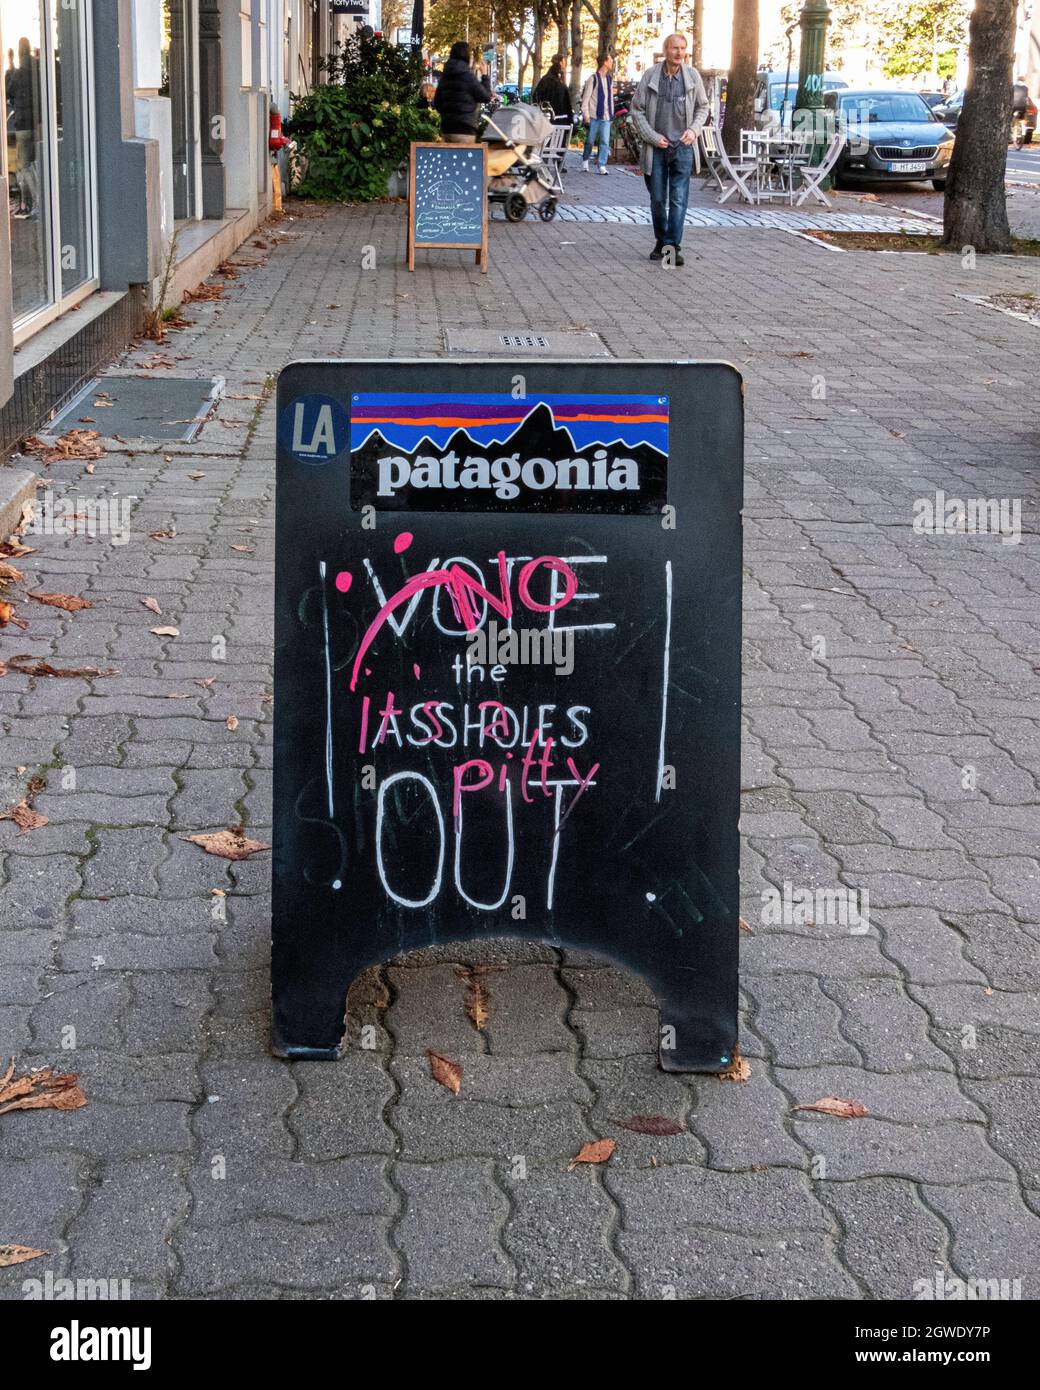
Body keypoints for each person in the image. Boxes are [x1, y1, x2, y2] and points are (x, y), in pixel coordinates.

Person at [629, 33, 708, 265]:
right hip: (657, 149)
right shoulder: (651, 75)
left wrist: (693, 130)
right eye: (675, 48)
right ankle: (661, 240)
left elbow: (703, 107)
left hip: (682, 148)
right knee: (657, 199)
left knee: (678, 198)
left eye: (683, 48)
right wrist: (652, 137)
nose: (679, 53)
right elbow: (636, 110)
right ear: (665, 49)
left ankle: (672, 247)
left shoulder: (692, 76)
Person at [433, 41, 494, 143]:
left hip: (447, 128)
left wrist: (448, 114)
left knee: (449, 158)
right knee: (465, 158)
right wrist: (485, 75)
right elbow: (486, 97)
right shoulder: (467, 76)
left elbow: (437, 102)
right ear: (467, 56)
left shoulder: (445, 76)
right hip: (465, 128)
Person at [10, 37, 40, 219]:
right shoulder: (36, 68)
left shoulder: (19, 72)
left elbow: (8, 89)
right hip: (36, 123)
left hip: (22, 124)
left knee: (24, 166)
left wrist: (11, 63)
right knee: (34, 164)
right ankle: (29, 202)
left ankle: (36, 201)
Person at [580, 52, 614, 174]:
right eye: (610, 60)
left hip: (605, 116)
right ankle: (585, 159)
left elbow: (610, 99)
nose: (612, 62)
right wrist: (586, 114)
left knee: (605, 142)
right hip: (594, 116)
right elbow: (586, 98)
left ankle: (602, 165)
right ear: (604, 62)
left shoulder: (609, 79)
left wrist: (611, 114)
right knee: (590, 140)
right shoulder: (593, 79)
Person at [532, 55, 572, 120]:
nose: (565, 65)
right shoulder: (549, 80)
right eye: (564, 62)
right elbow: (536, 97)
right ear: (560, 63)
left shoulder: (557, 79)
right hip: (553, 118)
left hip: (559, 118)